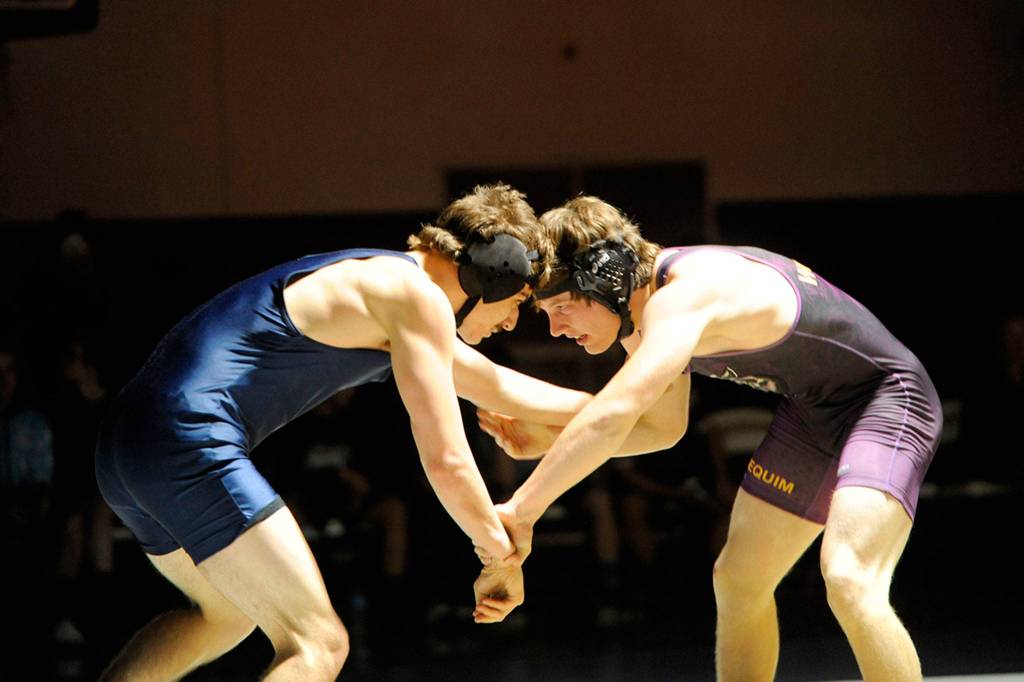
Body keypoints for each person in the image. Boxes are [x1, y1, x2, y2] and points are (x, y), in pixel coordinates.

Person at [93, 184, 592, 681]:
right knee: (319, 644)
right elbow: (448, 461)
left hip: (128, 446)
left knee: (226, 615)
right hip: (186, 440)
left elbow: (494, 384)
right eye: (517, 301)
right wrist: (499, 554)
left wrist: (617, 411)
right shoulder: (414, 296)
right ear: (494, 271)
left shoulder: (386, 285)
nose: (509, 322)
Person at [477, 196, 942, 682]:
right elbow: (662, 429)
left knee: (849, 579)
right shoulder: (643, 316)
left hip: (887, 398)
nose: (555, 330)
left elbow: (616, 412)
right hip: (815, 414)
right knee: (738, 580)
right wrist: (553, 442)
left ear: (603, 276)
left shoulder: (684, 295)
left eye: (560, 308)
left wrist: (520, 510)